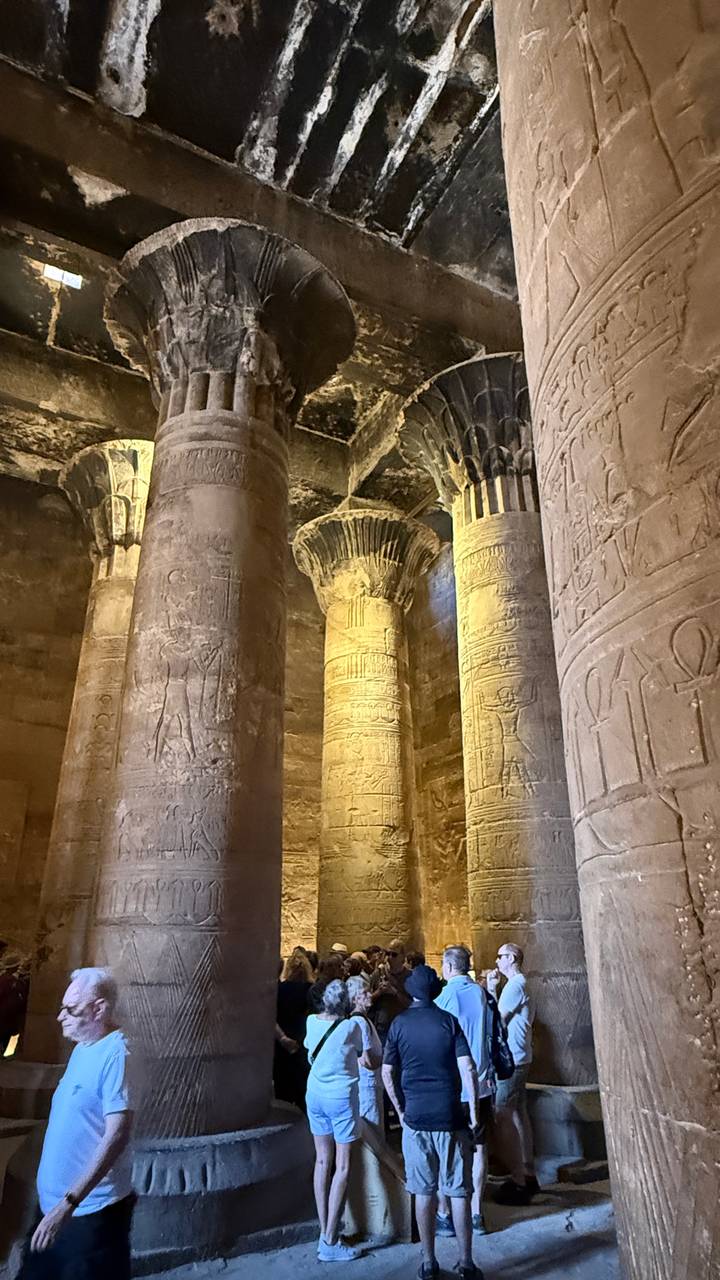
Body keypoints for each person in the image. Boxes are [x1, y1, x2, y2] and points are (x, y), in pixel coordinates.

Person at [18, 967, 136, 1280]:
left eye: (71, 1009)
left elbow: (117, 1135)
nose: (60, 1017)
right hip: (56, 1208)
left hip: (88, 1215)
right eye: (62, 1007)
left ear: (99, 1009)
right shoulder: (84, 1048)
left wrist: (68, 1204)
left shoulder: (117, 1054)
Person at [382, 964, 484, 1280]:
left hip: (416, 1118)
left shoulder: (399, 1024)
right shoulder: (447, 1021)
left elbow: (386, 1072)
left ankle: (428, 1261)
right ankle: (466, 1262)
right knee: (458, 1191)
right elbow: (467, 1068)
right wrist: (474, 1113)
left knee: (423, 1191)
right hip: (450, 1115)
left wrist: (400, 1110)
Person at [304, 979, 368, 1263]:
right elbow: (367, 1055)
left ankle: (325, 1231)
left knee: (322, 1161)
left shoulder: (310, 1021)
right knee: (342, 1166)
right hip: (340, 1099)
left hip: (314, 1095)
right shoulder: (350, 1026)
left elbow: (310, 1049)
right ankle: (330, 1240)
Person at [435, 946, 493, 1237]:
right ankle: (476, 1212)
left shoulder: (447, 997)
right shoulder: (480, 992)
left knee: (450, 1150)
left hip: (457, 1084)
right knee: (480, 1148)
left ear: (448, 966)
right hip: (482, 1082)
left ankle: (446, 1212)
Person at [486, 942, 537, 1204]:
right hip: (521, 1056)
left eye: (500, 956)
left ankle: (518, 1180)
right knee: (518, 1112)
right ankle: (527, 1171)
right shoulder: (520, 984)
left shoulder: (515, 986)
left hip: (513, 1060)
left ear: (513, 958)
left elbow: (498, 1021)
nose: (496, 961)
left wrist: (491, 990)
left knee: (503, 1113)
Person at [274, 951, 313, 1110]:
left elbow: (271, 1016)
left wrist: (282, 1038)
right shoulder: (311, 990)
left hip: (282, 1043)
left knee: (282, 1089)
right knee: (303, 1087)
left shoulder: (279, 989)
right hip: (303, 1040)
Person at [346, 974, 383, 1128]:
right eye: (364, 993)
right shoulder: (359, 1022)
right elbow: (367, 1060)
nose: (370, 995)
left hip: (370, 1082)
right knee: (373, 1128)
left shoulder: (361, 1019)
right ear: (354, 999)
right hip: (368, 1083)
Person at [369, 938, 410, 1045]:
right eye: (387, 953)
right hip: (382, 1028)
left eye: (394, 955)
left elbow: (414, 1004)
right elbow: (366, 1000)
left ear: (403, 957)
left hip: (404, 1028)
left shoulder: (410, 977)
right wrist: (379, 992)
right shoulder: (378, 974)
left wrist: (395, 992)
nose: (389, 958)